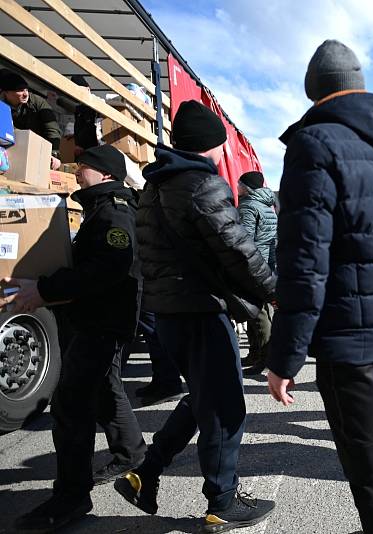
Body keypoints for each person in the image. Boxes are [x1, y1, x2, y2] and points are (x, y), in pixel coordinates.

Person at [266, 40, 373, 534]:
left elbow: (305, 262)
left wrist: (284, 356)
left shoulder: (316, 145)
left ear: (314, 90)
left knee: (361, 446)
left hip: (346, 331)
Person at [113, 100, 277, 531]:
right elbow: (238, 250)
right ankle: (222, 502)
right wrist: (277, 292)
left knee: (202, 397)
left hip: (168, 315)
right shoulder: (202, 185)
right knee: (224, 408)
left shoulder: (154, 187)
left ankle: (143, 473)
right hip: (201, 313)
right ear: (211, 147)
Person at [4, 144, 144, 531]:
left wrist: (47, 290)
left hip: (102, 321)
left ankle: (71, 497)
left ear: (104, 173)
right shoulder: (101, 208)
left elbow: (110, 267)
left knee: (70, 407)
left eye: (84, 167)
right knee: (104, 390)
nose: (78, 171)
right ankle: (131, 453)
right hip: (98, 318)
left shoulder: (114, 210)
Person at [236, 170, 278, 376]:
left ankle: (264, 357)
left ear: (247, 187)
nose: (237, 186)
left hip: (252, 264)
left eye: (239, 183)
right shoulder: (267, 205)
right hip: (266, 264)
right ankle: (257, 354)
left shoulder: (248, 206)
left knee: (256, 311)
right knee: (261, 310)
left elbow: (244, 239)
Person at [0, 68, 62, 170]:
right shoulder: (1, 106)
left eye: (26, 89)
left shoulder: (37, 102)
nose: (25, 94)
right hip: (12, 153)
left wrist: (53, 153)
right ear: (6, 92)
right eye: (19, 90)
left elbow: (52, 129)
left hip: (42, 148)